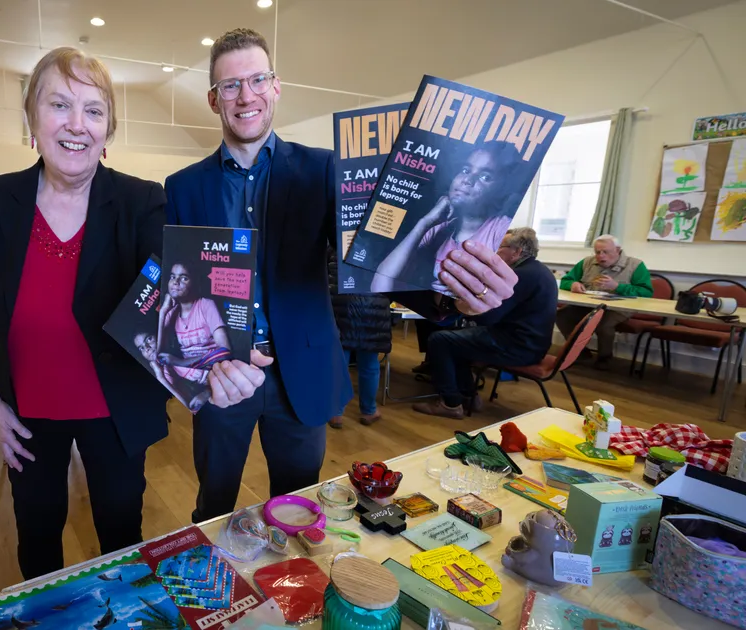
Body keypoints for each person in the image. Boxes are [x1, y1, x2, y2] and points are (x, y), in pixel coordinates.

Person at [164, 28, 521, 522]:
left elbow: (371, 257)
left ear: (275, 86)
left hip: (302, 374)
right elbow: (180, 286)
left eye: (256, 80)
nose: (245, 96)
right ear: (213, 99)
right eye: (229, 86)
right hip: (224, 376)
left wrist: (452, 299)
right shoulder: (183, 187)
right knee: (213, 503)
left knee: (298, 509)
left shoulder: (325, 170)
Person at [0, 47, 265, 580]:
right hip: (26, 416)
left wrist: (221, 359)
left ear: (109, 129)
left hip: (114, 414)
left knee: (122, 538)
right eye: (59, 105)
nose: (77, 125)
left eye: (94, 110)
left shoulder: (141, 201)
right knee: (36, 536)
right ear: (32, 116)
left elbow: (176, 295)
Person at [412, 227, 558, 419]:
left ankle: (450, 403)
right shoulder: (539, 270)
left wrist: (463, 306)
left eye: (500, 247)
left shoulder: (521, 275)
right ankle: (468, 396)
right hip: (530, 344)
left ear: (517, 252)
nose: (495, 251)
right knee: (455, 341)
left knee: (439, 340)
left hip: (517, 347)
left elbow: (488, 317)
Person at [372, 142, 527, 294]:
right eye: (466, 170)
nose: (467, 180)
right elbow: (380, 285)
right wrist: (423, 223)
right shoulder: (438, 229)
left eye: (485, 176)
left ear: (501, 190)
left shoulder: (500, 228)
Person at [557, 234, 654, 369]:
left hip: (621, 307)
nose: (601, 256)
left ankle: (605, 358)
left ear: (618, 250)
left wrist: (617, 287)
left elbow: (646, 292)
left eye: (605, 252)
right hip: (589, 304)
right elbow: (566, 281)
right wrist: (572, 285)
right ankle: (580, 353)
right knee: (562, 315)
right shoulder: (586, 262)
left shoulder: (635, 265)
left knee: (603, 323)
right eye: (597, 252)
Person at [327, 246, 390, 428]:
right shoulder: (382, 243)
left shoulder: (339, 234)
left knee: (340, 363)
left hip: (341, 305)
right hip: (374, 308)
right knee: (370, 365)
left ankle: (336, 412)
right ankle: (369, 411)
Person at [156, 261, 234, 372]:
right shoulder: (170, 312)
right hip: (188, 372)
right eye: (172, 277)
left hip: (211, 367)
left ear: (194, 283)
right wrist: (163, 312)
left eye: (184, 278)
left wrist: (180, 362)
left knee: (222, 354)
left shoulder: (206, 304)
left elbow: (225, 350)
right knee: (158, 364)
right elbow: (157, 354)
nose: (175, 282)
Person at [133, 331, 209, 412]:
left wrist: (207, 393)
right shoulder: (162, 374)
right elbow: (188, 410)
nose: (147, 348)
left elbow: (215, 358)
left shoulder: (182, 347)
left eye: (149, 339)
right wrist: (161, 379)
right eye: (141, 348)